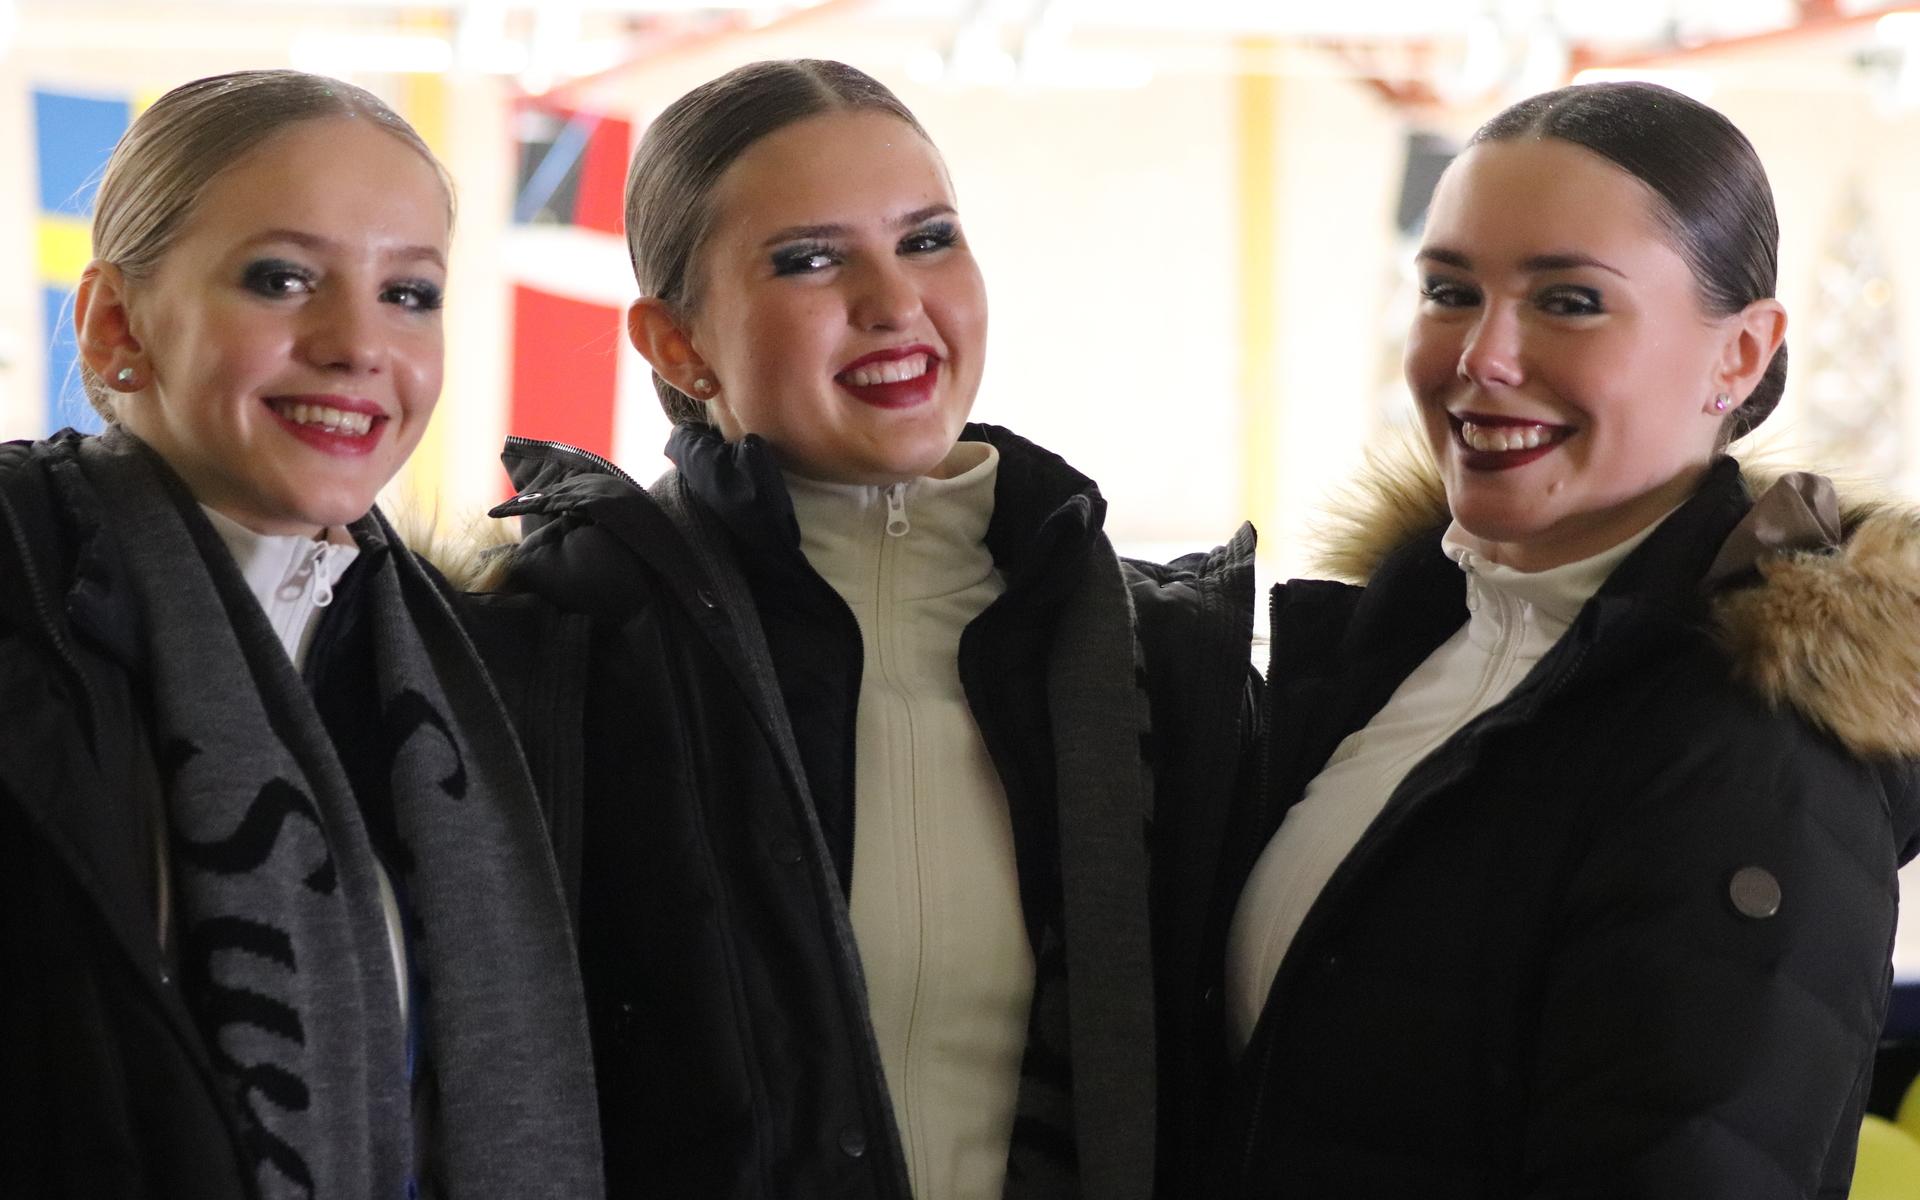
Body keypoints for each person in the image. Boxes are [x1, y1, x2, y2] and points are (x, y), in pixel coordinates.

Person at [465, 58, 1258, 1200]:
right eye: (810, 259)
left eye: (928, 240)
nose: (895, 303)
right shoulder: (558, 642)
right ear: (677, 342)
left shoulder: (1162, 659)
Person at [1203, 81, 1920, 1197]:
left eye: (1571, 301)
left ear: (1739, 357)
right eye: (1450, 290)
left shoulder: (1747, 760)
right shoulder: (1407, 655)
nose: (1482, 356)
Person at [0, 70, 601, 1199]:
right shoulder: (27, 620)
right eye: (282, 280)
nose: (356, 343)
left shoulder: (485, 672)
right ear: (115, 323)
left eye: (409, 294)